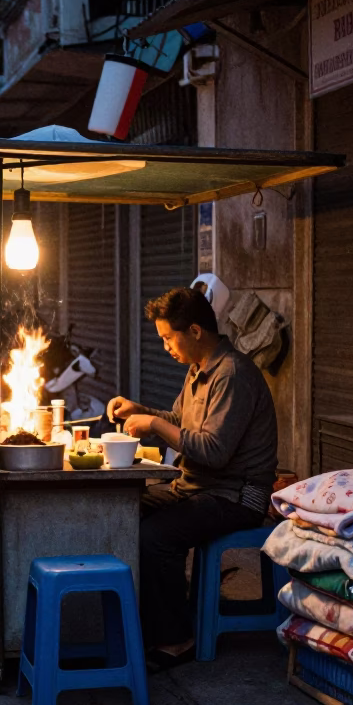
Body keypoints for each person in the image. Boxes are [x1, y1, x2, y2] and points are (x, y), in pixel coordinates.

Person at [107, 286, 277, 671]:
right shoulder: (198, 370)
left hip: (236, 496)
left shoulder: (233, 374)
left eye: (169, 337)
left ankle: (177, 639)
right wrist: (143, 411)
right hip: (195, 488)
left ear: (196, 331)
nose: (166, 346)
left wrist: (152, 425)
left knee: (156, 538)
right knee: (122, 510)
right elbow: (180, 423)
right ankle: (150, 621)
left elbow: (213, 451)